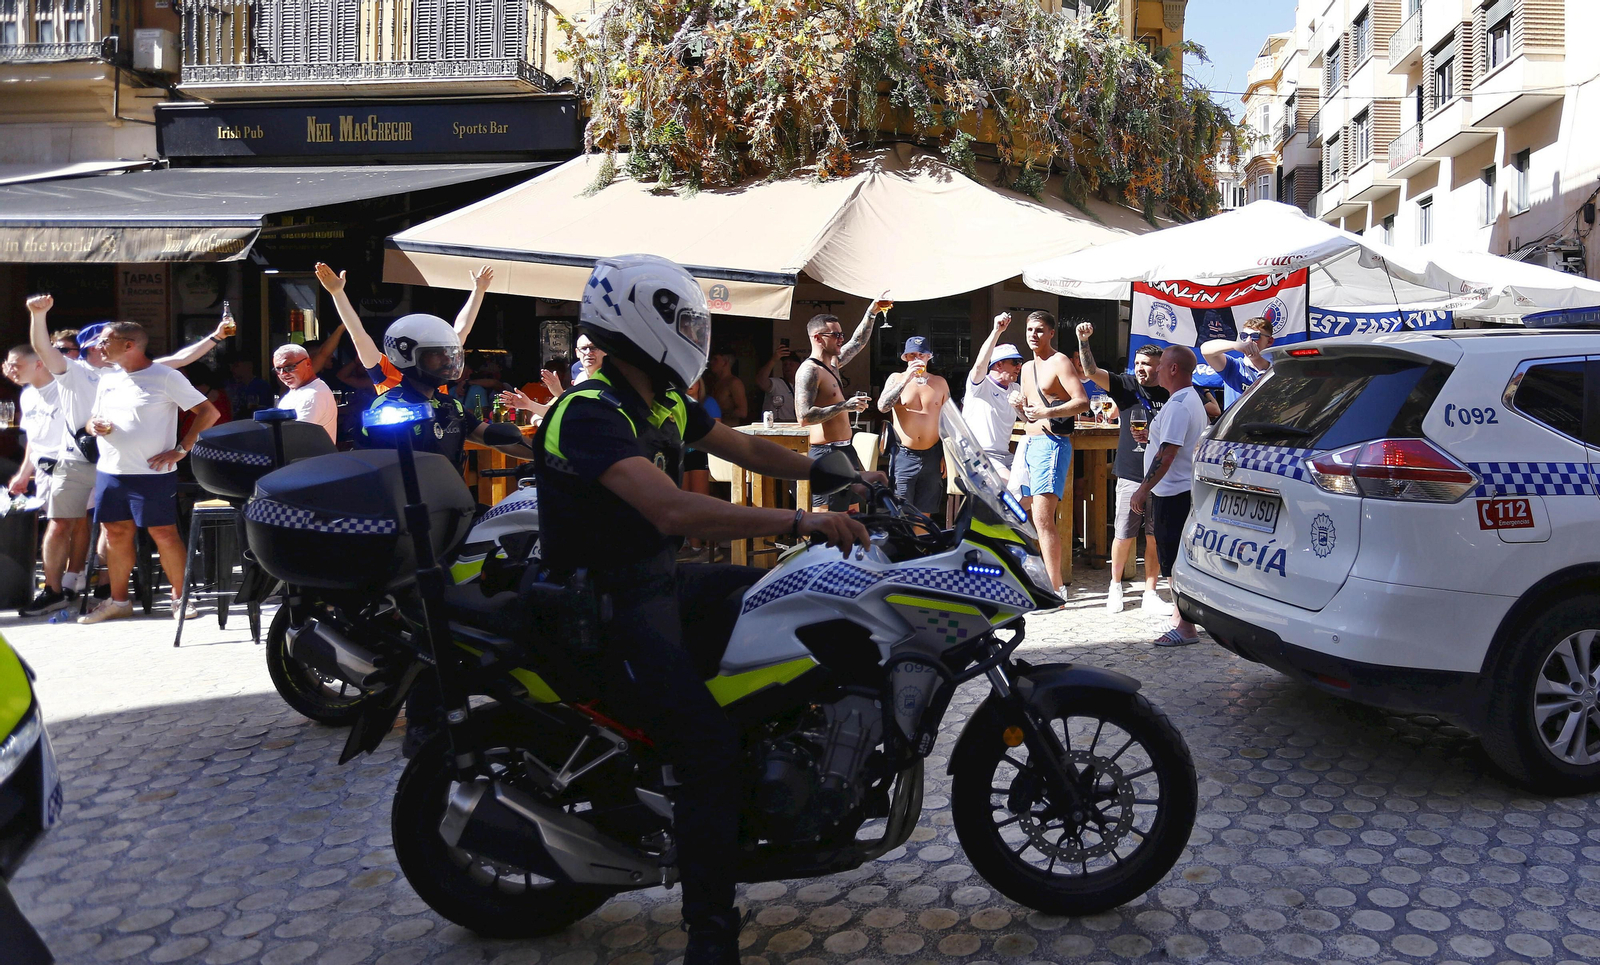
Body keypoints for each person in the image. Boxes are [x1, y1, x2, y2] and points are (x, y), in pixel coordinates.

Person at [534, 253, 880, 965]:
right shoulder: (587, 411)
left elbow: (746, 445)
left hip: (656, 583)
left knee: (774, 598)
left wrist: (830, 468)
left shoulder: (660, 400)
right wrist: (799, 523)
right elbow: (667, 507)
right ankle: (711, 932)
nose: (695, 332)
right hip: (605, 603)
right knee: (706, 750)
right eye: (684, 320)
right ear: (641, 322)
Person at [79, 322, 220, 624]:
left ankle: (181, 599)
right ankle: (118, 601)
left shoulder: (166, 376)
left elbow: (209, 412)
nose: (98, 347)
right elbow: (92, 420)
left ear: (129, 345)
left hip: (153, 472)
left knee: (163, 533)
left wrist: (182, 449)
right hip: (112, 470)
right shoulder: (108, 378)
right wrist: (94, 427)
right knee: (116, 535)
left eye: (105, 341)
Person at [27, 301, 109, 607]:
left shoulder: (129, 373)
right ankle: (53, 591)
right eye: (104, 341)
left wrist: (216, 338)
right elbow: (42, 348)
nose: (110, 346)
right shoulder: (74, 370)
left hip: (116, 459)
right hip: (75, 458)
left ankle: (106, 586)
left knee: (111, 525)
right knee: (59, 522)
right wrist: (38, 316)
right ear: (90, 347)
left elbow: (176, 361)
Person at [1078, 338, 1167, 613]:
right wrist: (1084, 343)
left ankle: (1150, 592)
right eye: (1137, 363)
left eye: (1146, 364)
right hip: (1130, 471)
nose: (1140, 368)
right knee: (1124, 532)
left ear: (1160, 366)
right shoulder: (1126, 385)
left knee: (1154, 536)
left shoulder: (1170, 392)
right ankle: (1114, 586)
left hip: (1162, 474)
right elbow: (1091, 372)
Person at [314, 262, 495, 395]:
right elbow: (358, 336)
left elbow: (461, 331)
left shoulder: (437, 374)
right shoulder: (386, 369)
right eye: (433, 352)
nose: (444, 358)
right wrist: (337, 293)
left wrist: (479, 291)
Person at [1129, 345, 1208, 647]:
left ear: (1174, 369)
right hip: (1178, 490)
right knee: (1174, 560)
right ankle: (1181, 619)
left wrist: (1142, 488)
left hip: (1172, 493)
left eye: (1162, 366)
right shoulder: (1189, 400)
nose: (1158, 370)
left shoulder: (1178, 404)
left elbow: (1169, 452)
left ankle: (1186, 627)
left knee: (1174, 563)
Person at [5, 341, 91, 616]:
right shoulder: (27, 395)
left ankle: (56, 588)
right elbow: (34, 437)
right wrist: (24, 472)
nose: (10, 371)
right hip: (43, 468)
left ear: (39, 363)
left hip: (72, 463)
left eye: (17, 365)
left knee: (60, 524)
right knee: (67, 523)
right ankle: (68, 582)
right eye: (8, 364)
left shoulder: (66, 386)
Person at [1017, 310, 1089, 598]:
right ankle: (1038, 578)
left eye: (1038, 330)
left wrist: (1049, 411)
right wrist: (1017, 405)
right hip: (1029, 443)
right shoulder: (1025, 368)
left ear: (1050, 333)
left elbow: (1082, 401)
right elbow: (1028, 413)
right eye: (1029, 330)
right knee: (1026, 514)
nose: (1033, 335)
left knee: (1044, 518)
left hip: (1052, 444)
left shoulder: (1059, 361)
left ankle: (1056, 587)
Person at [794, 297, 882, 511]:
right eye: (836, 335)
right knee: (827, 518)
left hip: (846, 450)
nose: (841, 339)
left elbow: (858, 342)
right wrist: (845, 406)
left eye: (841, 334)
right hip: (826, 453)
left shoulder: (832, 364)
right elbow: (804, 417)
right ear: (818, 338)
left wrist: (872, 312)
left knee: (853, 512)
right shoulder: (809, 371)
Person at [877, 336, 950, 515]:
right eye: (911, 355)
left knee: (925, 514)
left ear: (929, 357)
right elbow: (883, 406)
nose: (916, 359)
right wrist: (907, 378)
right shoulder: (896, 379)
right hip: (904, 455)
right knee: (900, 512)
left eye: (921, 355)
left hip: (932, 455)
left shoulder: (939, 382)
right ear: (905, 358)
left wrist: (948, 455)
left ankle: (922, 543)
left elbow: (950, 421)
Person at [963, 313, 1025, 478]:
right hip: (979, 454)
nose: (1019, 367)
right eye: (1014, 363)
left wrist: (1020, 408)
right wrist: (996, 331)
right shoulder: (980, 384)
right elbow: (979, 366)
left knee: (1038, 490)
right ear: (998, 364)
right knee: (1011, 490)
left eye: (1020, 363)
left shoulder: (1016, 388)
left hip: (1005, 455)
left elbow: (1028, 420)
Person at [1200, 315, 1275, 409]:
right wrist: (1236, 345)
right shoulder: (1234, 367)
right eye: (1244, 336)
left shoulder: (1275, 370)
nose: (1248, 341)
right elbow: (1205, 349)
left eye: (1255, 337)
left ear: (1269, 341)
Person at [272, 344, 338, 443]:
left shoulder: (313, 395)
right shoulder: (298, 391)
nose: (283, 374)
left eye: (289, 367)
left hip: (309, 458)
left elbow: (296, 439)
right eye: (278, 369)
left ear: (307, 363)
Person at [755, 343, 801, 422]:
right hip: (776, 426)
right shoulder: (777, 384)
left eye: (791, 364)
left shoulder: (802, 387)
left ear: (799, 366)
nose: (787, 367)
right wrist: (773, 360)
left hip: (793, 426)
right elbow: (760, 380)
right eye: (785, 365)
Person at [703, 349, 748, 426]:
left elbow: (743, 412)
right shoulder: (713, 382)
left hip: (729, 430)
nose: (711, 362)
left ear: (725, 362)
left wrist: (719, 413)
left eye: (715, 359)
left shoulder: (734, 383)